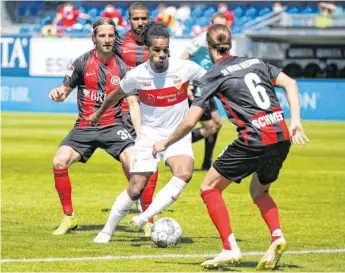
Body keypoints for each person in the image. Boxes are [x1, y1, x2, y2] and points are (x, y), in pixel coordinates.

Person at [153, 24, 309, 269]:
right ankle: (277, 236)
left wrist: (165, 142)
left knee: (208, 187)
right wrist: (296, 121)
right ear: (231, 44)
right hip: (280, 135)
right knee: (260, 192)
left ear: (208, 46)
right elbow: (291, 83)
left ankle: (229, 248)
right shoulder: (256, 62)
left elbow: (191, 120)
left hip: (254, 138)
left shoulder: (213, 74)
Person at [87, 22, 206, 244]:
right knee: (135, 187)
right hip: (150, 135)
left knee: (184, 172)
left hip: (177, 134)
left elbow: (213, 80)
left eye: (165, 49)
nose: (162, 55)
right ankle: (107, 231)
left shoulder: (185, 68)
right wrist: (98, 113)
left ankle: (144, 217)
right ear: (148, 49)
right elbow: (115, 95)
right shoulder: (137, 75)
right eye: (157, 50)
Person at [49, 18, 136, 236]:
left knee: (134, 163)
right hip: (84, 126)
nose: (107, 40)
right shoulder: (81, 63)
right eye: (102, 35)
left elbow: (133, 102)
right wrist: (58, 94)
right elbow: (64, 90)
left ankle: (147, 217)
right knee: (59, 161)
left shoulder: (124, 67)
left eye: (110, 35)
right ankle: (69, 217)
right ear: (94, 38)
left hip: (113, 125)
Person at [113, 2, 159, 235]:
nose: (140, 23)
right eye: (136, 19)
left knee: (151, 159)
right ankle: (142, 202)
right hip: (125, 110)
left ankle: (146, 210)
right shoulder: (119, 42)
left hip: (154, 108)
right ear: (128, 20)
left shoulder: (157, 40)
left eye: (144, 18)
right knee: (133, 160)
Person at [181, 12, 227, 170]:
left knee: (217, 124)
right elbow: (183, 59)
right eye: (216, 25)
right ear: (211, 25)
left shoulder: (223, 43)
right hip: (196, 88)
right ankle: (175, 143)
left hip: (208, 88)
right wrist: (185, 85)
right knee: (210, 127)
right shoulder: (201, 41)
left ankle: (207, 163)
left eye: (223, 26)